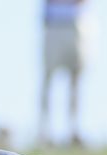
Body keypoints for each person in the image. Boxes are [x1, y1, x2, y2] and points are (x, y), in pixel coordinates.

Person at [39, 0, 93, 147]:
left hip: (75, 24)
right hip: (54, 25)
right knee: (48, 80)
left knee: (75, 82)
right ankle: (45, 131)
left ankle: (74, 131)